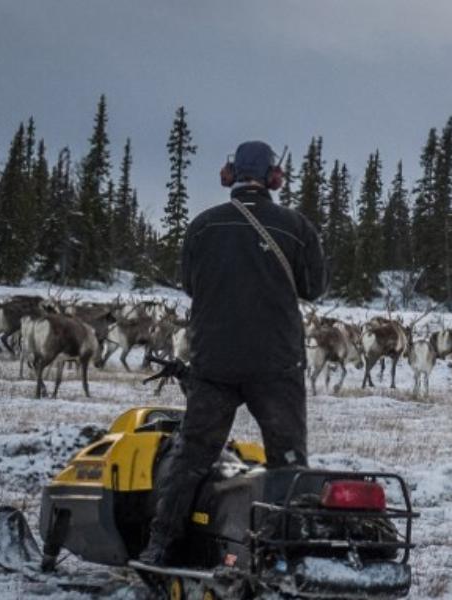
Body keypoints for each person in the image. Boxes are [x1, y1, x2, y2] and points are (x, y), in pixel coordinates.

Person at [138, 140, 328, 566]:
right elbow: (314, 289)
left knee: (191, 456)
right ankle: (289, 554)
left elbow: (190, 284)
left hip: (214, 363)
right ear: (274, 178)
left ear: (230, 175)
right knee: (289, 463)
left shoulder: (202, 226)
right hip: (276, 365)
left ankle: (159, 548)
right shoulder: (297, 228)